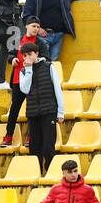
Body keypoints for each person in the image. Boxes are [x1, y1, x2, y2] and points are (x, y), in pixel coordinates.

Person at [16, 40, 63, 176]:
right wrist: (29, 69)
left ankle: (50, 173)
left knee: (48, 146)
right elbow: (24, 89)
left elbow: (57, 89)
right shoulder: (24, 71)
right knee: (34, 146)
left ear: (36, 53)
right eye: (24, 55)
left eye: (30, 54)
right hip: (33, 112)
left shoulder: (49, 66)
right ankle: (37, 173)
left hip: (49, 111)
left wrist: (60, 111)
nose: (27, 57)